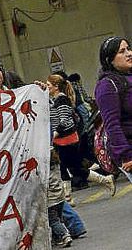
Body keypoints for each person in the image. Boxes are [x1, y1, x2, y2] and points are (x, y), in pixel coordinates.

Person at [49, 74, 115, 194]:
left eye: (49, 85)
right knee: (68, 168)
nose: (47, 87)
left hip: (67, 140)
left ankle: (105, 180)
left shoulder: (61, 99)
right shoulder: (54, 100)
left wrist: (55, 133)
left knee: (73, 168)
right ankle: (68, 198)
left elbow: (64, 120)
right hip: (61, 140)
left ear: (56, 86)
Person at [94, 36, 132, 182]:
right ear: (109, 59)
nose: (129, 53)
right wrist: (126, 156)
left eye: (128, 48)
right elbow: (112, 124)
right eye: (122, 51)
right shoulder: (107, 85)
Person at [47, 150, 73, 247]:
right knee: (59, 218)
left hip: (51, 199)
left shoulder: (45, 170)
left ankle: (65, 235)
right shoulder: (57, 165)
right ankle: (57, 237)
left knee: (53, 220)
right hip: (60, 196)